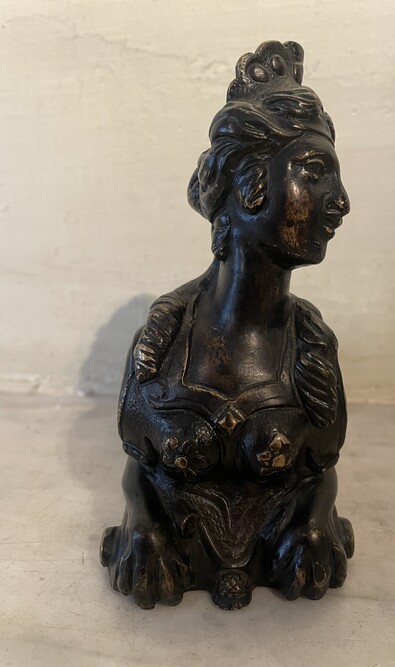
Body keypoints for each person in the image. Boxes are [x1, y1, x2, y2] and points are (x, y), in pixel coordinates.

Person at [100, 40, 354, 610]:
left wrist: (313, 521)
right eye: (315, 174)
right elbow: (140, 466)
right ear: (248, 184)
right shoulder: (162, 344)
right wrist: (143, 523)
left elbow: (318, 470)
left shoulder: (311, 348)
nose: (340, 202)